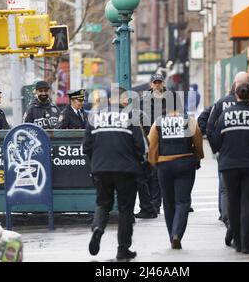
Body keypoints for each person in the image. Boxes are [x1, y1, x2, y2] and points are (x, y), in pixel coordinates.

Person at [83, 87, 146, 260]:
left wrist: (96, 163)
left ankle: (98, 228)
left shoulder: (94, 117)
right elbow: (140, 146)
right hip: (125, 170)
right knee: (126, 210)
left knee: (103, 203)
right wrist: (138, 161)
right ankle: (123, 249)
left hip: (101, 169)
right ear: (123, 99)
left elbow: (86, 146)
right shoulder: (129, 117)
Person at [212, 83, 249, 254]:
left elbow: (215, 138)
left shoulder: (225, 114)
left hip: (230, 165)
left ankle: (237, 241)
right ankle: (247, 243)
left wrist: (220, 152)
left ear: (236, 95)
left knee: (233, 201)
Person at [206, 72, 249, 232]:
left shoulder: (221, 104)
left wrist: (217, 148)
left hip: (228, 157)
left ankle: (229, 222)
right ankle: (247, 231)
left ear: (234, 84)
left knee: (226, 190)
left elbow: (210, 127)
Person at [148, 91, 204, 249]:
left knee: (168, 201)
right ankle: (177, 234)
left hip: (165, 165)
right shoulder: (189, 121)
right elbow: (198, 141)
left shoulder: (158, 122)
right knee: (183, 201)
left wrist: (154, 162)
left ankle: (171, 234)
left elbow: (152, 144)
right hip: (185, 163)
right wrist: (197, 158)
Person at [140, 73, 167, 214]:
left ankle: (156, 204)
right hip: (148, 140)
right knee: (148, 173)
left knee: (158, 174)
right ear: (151, 84)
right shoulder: (142, 100)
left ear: (163, 83)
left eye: (159, 82)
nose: (157, 85)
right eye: (155, 82)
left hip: (165, 140)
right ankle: (150, 203)